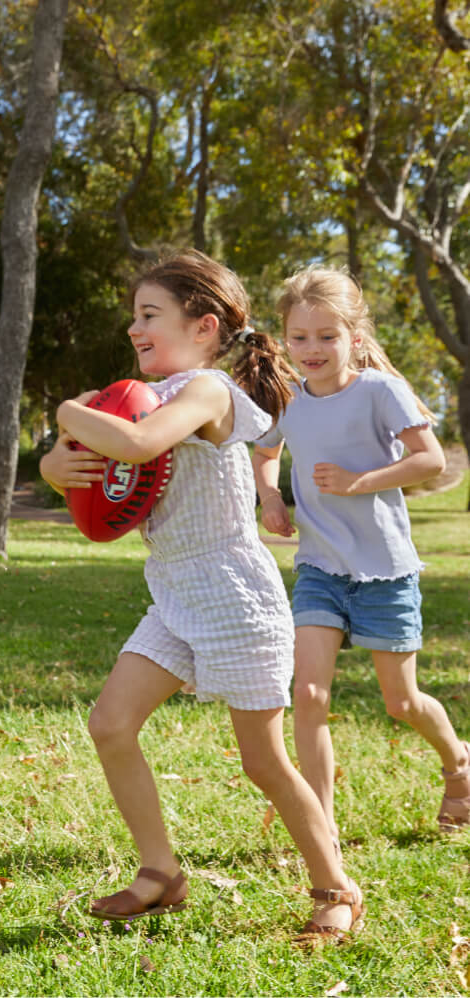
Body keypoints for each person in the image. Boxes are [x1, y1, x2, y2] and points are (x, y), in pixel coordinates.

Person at [40, 249, 362, 944]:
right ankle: (160, 872)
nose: (134, 328)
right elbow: (91, 470)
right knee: (111, 725)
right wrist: (53, 462)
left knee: (263, 762)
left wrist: (67, 409)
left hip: (236, 598)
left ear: (204, 326)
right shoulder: (150, 395)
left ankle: (336, 888)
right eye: (134, 316)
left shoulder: (208, 392)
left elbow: (137, 444)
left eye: (149, 314)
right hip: (175, 593)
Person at [252, 266, 469, 853]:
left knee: (402, 703)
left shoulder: (380, 391)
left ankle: (459, 763)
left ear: (353, 335)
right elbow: (265, 454)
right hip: (320, 568)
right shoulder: (288, 398)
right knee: (308, 695)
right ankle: (321, 827)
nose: (313, 349)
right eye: (300, 337)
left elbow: (429, 459)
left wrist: (358, 481)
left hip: (385, 571)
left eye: (327, 336)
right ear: (285, 339)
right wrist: (270, 498)